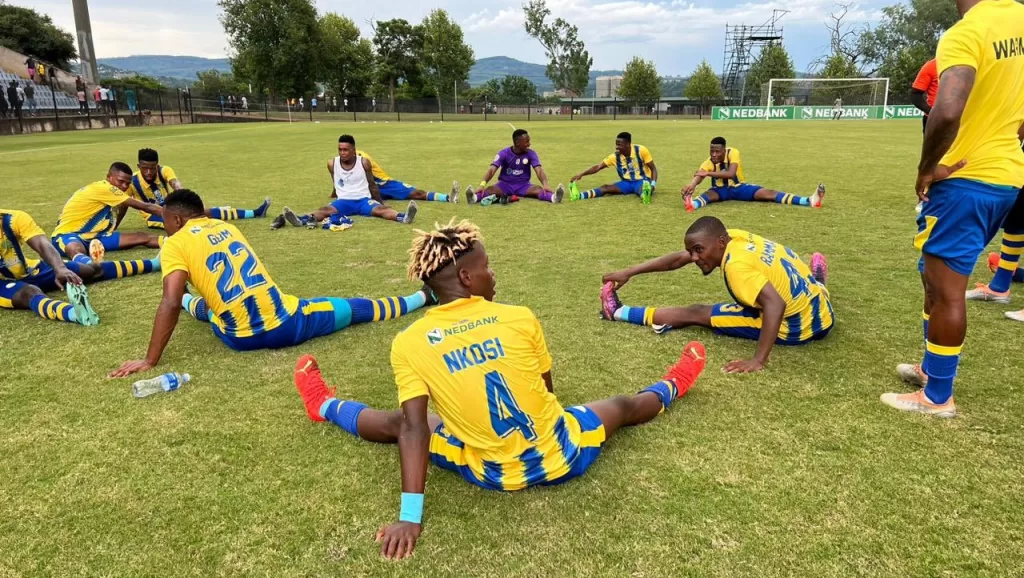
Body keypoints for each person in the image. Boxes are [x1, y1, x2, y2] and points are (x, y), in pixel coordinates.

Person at [291, 218, 707, 560]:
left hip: (490, 471)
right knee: (621, 405)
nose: (494, 274)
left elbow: (415, 430)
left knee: (402, 422)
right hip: (562, 452)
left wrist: (410, 517)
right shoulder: (519, 316)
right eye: (489, 266)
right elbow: (547, 390)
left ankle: (324, 404)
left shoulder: (410, 341)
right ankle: (677, 381)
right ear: (468, 277)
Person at [108, 190, 435, 377]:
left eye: (166, 220)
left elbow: (169, 300)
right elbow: (175, 300)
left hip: (235, 337)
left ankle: (197, 305)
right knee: (349, 308)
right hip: (284, 324)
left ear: (177, 219)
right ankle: (421, 297)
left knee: (206, 306)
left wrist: (150, 360)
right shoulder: (226, 227)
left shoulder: (175, 243)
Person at [884, 0, 1024, 419]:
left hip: (965, 178)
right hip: (1007, 176)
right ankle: (931, 369)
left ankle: (938, 396)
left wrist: (926, 168)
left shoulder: (969, 30)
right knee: (934, 277)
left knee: (946, 288)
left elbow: (945, 111)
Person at [600, 216, 833, 373]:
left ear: (720, 242)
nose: (693, 258)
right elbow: (678, 259)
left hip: (797, 325)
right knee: (793, 283)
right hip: (821, 306)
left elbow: (775, 304)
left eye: (698, 250)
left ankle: (618, 312)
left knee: (698, 312)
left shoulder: (736, 267)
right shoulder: (735, 237)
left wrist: (758, 360)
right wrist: (629, 272)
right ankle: (818, 281)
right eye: (692, 251)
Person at [1, 209, 161, 326]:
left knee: (92, 270)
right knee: (29, 293)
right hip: (3, 282)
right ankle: (74, 314)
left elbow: (42, 244)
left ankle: (154, 263)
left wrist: (59, 268)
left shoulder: (13, 218)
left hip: (32, 269)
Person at [271, 135, 417, 230]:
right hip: (343, 202)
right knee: (324, 210)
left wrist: (380, 202)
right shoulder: (331, 163)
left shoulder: (364, 162)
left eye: (346, 150)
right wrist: (334, 193)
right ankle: (300, 220)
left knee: (381, 211)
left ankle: (403, 217)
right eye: (340, 150)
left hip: (363, 200)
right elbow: (335, 181)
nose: (342, 153)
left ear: (354, 150)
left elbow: (372, 184)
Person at [51, 162, 165, 265]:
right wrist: (177, 217)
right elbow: (147, 207)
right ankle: (90, 265)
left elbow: (123, 209)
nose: (124, 186)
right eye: (120, 181)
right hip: (68, 234)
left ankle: (175, 242)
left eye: (127, 183)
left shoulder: (112, 193)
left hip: (98, 237)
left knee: (141, 237)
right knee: (75, 248)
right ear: (109, 177)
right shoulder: (105, 188)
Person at [129, 148, 271, 229]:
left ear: (157, 165)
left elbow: (176, 185)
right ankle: (215, 226)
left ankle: (255, 212)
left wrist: (186, 203)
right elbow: (122, 204)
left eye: (152, 168)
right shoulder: (132, 182)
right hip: (154, 217)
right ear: (138, 167)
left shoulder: (164, 170)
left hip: (171, 209)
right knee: (190, 221)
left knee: (203, 212)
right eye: (144, 168)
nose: (148, 172)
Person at [682, 137, 825, 212]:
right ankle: (692, 203)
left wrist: (708, 173)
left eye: (717, 151)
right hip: (721, 191)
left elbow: (731, 174)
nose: (714, 154)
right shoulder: (709, 162)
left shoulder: (733, 153)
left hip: (739, 187)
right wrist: (691, 185)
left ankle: (808, 201)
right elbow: (699, 175)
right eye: (711, 151)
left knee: (768, 193)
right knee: (709, 196)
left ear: (724, 150)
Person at [465, 129, 564, 204]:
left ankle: (554, 198)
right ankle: (473, 198)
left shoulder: (531, 153)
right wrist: (482, 185)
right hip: (504, 185)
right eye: (526, 142)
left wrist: (545, 184)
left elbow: (539, 170)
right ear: (517, 143)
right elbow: (492, 170)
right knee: (490, 190)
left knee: (538, 189)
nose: (529, 144)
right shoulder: (503, 153)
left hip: (523, 185)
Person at [568, 132, 658, 203]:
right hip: (626, 183)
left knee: (642, 188)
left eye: (619, 145)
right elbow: (598, 167)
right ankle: (579, 196)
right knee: (605, 188)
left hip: (642, 180)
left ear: (628, 144)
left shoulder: (641, 150)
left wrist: (653, 184)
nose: (616, 147)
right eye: (616, 144)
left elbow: (653, 168)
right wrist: (581, 174)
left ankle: (645, 194)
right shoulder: (615, 157)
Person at [344, 148, 458, 204]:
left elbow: (368, 179)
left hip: (384, 183)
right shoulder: (343, 160)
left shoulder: (362, 158)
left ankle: (448, 197)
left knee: (416, 193)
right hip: (369, 187)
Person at [911, 58, 939, 134]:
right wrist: (932, 112)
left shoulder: (970, 65)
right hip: (935, 121)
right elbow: (915, 95)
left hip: (966, 120)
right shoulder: (931, 66)